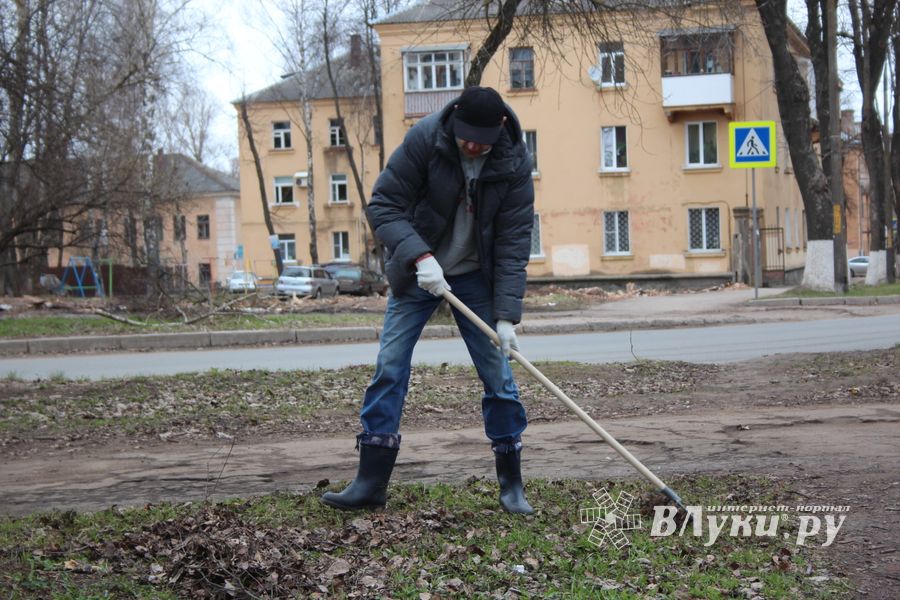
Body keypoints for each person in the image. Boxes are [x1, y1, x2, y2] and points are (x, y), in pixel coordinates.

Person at [321, 86, 535, 514]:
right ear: (454, 122)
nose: (473, 147)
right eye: (466, 138)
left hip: (477, 276)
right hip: (421, 272)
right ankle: (370, 481)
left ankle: (511, 484)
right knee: (390, 366)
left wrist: (507, 316)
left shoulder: (513, 161)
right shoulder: (426, 138)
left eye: (482, 141)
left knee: (499, 375)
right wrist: (420, 256)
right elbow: (383, 204)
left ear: (501, 130)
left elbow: (513, 240)